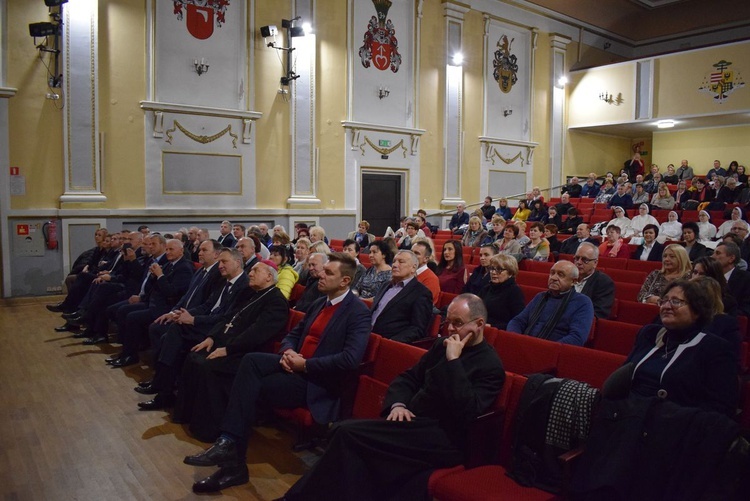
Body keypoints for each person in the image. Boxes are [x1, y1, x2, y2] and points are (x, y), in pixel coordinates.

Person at [277, 294, 505, 501]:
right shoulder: (441, 345)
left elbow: (467, 411)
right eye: (448, 323)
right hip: (411, 422)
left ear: (479, 325)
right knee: (346, 437)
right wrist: (398, 404)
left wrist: (453, 362)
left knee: (346, 433)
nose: (450, 330)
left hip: (442, 438)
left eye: (458, 324)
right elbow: (408, 378)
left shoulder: (490, 365)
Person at [184, 253, 372, 493]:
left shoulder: (357, 312)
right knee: (250, 362)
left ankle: (231, 456)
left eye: (328, 273)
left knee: (250, 387)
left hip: (316, 382)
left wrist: (304, 365)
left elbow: (349, 359)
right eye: (322, 270)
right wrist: (288, 352)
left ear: (345, 281)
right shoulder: (319, 302)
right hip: (294, 366)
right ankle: (229, 445)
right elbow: (293, 335)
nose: (320, 275)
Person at [172, 262, 289, 441]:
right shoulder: (251, 294)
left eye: (256, 270)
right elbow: (228, 317)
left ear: (269, 276)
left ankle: (210, 429)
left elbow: (257, 334)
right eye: (251, 270)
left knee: (209, 366)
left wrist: (228, 349)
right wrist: (211, 337)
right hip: (227, 345)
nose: (250, 273)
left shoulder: (277, 301)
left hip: (247, 354)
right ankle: (186, 415)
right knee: (193, 356)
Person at [136, 248, 251, 410]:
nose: (220, 266)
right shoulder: (224, 281)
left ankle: (162, 389)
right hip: (207, 325)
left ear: (238, 263)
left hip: (217, 332)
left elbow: (224, 318)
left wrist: (193, 320)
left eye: (224, 262)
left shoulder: (244, 286)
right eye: (219, 262)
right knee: (170, 334)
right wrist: (186, 314)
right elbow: (207, 306)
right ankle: (163, 389)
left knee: (174, 332)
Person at [507, 261, 594, 345]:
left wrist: (546, 349)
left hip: (553, 352)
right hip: (524, 345)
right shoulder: (541, 297)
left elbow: (576, 338)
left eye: (561, 275)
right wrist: (516, 339)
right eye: (552, 273)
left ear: (573, 281)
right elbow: (518, 321)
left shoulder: (582, 303)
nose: (553, 278)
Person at [370, 250, 434, 343]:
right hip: (366, 336)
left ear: (413, 268)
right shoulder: (385, 285)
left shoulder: (421, 293)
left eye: (401, 262)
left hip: (387, 343)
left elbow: (417, 329)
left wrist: (392, 341)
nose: (395, 265)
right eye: (394, 261)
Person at [479, 255, 526, 329]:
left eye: (499, 269)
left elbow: (516, 322)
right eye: (492, 269)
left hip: (498, 331)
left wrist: (492, 327)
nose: (493, 272)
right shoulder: (486, 288)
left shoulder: (515, 292)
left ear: (510, 273)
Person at [573, 242, 615, 319]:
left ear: (595, 263)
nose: (578, 262)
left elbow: (599, 313)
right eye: (576, 258)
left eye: (585, 260)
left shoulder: (603, 282)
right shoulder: (568, 275)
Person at [712, 242, 750, 316]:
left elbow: (746, 309)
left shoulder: (746, 279)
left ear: (731, 258)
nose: (712, 257)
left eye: (718, 253)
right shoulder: (710, 276)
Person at [411, 241, 441, 305]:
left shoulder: (431, 279)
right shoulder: (406, 273)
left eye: (416, 253)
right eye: (411, 252)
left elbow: (423, 305)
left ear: (426, 259)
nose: (412, 255)